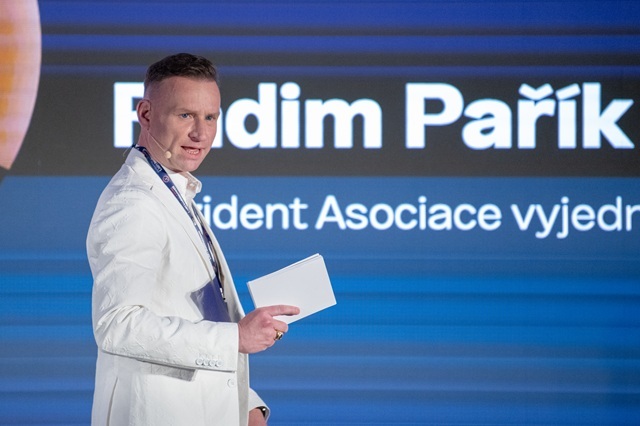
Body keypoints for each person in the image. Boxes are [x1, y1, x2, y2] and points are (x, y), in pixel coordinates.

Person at [86, 53, 299, 426]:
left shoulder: (173, 191)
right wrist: (235, 339)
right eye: (185, 115)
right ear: (146, 114)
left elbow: (191, 316)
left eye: (211, 117)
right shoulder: (134, 202)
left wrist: (246, 405)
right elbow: (119, 325)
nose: (201, 133)